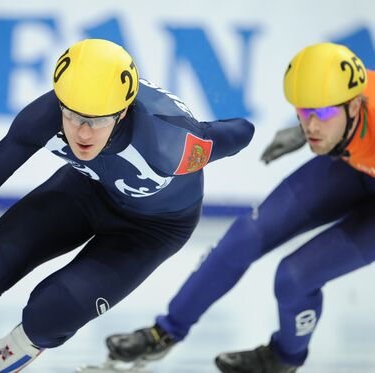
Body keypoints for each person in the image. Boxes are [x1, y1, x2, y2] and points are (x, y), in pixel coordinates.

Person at [0, 38, 254, 373]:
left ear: (122, 113)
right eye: (73, 116)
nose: (81, 133)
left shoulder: (171, 144)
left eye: (95, 121)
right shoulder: (44, 115)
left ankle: (26, 343)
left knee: (50, 310)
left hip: (153, 229)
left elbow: (241, 132)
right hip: (86, 190)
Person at [97, 42, 375, 373]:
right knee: (246, 235)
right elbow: (324, 112)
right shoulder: (348, 101)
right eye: (303, 112)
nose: (311, 125)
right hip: (354, 168)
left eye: (323, 114)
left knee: (294, 276)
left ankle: (283, 358)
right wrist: (312, 128)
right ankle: (164, 333)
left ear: (356, 106)